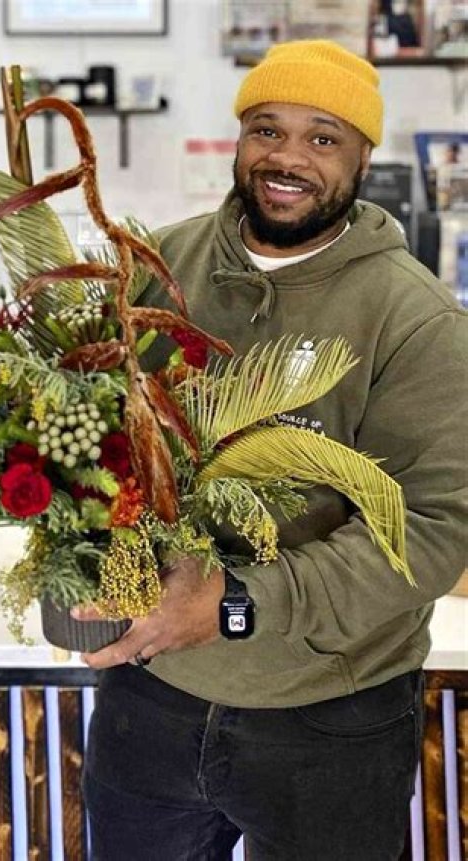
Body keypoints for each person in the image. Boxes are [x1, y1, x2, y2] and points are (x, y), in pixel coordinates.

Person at [73, 40, 468, 860]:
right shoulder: (154, 267)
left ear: (365, 155)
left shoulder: (417, 318)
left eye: (324, 138)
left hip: (331, 719)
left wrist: (233, 599)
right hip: (150, 702)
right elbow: (92, 434)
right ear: (241, 139)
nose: (288, 158)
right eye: (267, 129)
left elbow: (431, 532)